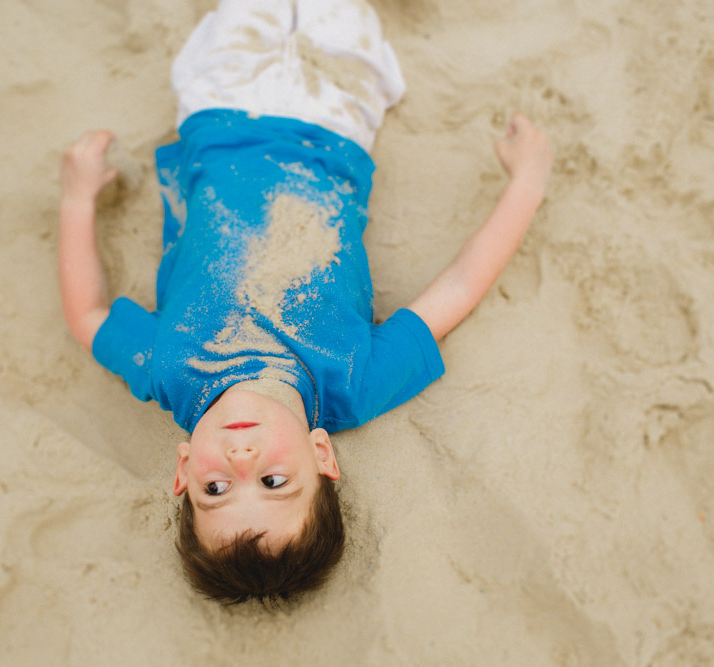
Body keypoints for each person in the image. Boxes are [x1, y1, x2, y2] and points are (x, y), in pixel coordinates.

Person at [58, 0, 552, 604]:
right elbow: (457, 288)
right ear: (322, 457)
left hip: (220, 109)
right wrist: (527, 184)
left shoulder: (168, 371)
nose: (241, 459)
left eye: (216, 490)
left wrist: (77, 200)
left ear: (183, 473)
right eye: (273, 481)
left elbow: (88, 318)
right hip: (336, 121)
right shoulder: (354, 382)